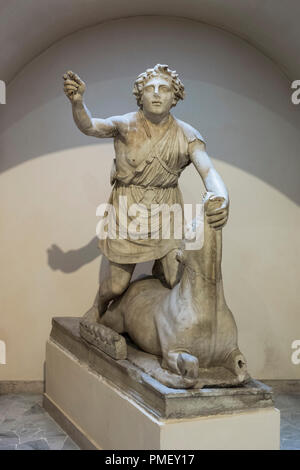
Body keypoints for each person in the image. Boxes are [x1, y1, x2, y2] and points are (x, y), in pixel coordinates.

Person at [63, 64, 229, 321]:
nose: (156, 94)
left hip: (167, 209)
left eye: (164, 89)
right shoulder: (124, 125)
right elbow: (89, 126)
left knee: (175, 280)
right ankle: (98, 307)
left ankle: (157, 327)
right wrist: (77, 102)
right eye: (149, 89)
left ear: (175, 97)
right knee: (116, 286)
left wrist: (221, 197)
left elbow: (208, 172)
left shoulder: (187, 134)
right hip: (127, 208)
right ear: (140, 95)